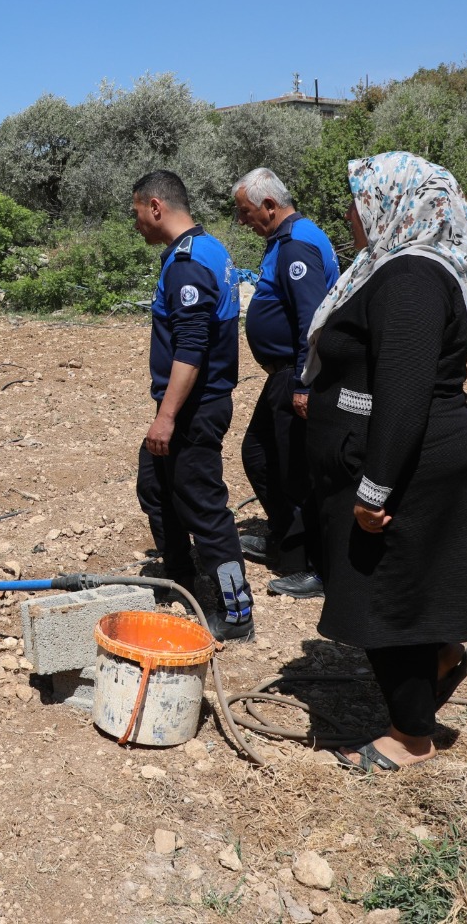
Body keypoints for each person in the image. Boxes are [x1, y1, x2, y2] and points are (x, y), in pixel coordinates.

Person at [301, 151, 467, 771]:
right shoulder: (391, 267)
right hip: (402, 454)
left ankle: (411, 736)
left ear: (396, 204)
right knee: (401, 586)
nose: (352, 215)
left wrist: (374, 489)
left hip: (409, 463)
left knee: (387, 597)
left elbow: (404, 394)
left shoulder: (410, 275)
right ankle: (439, 660)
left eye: (360, 201)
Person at [132, 170, 254, 643]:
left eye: (137, 212)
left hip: (194, 409)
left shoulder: (187, 263)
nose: (136, 222)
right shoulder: (208, 248)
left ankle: (236, 610)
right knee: (156, 486)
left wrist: (166, 416)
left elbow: (191, 346)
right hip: (192, 405)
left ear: (156, 207)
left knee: (204, 506)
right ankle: (183, 584)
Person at [234, 168, 339, 600]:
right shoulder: (286, 240)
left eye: (246, 213)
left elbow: (310, 321)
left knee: (293, 468)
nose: (243, 221)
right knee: (260, 454)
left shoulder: (296, 245)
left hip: (297, 374)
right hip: (285, 373)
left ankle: (310, 564)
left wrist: (302, 382)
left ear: (270, 207)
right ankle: (284, 538)